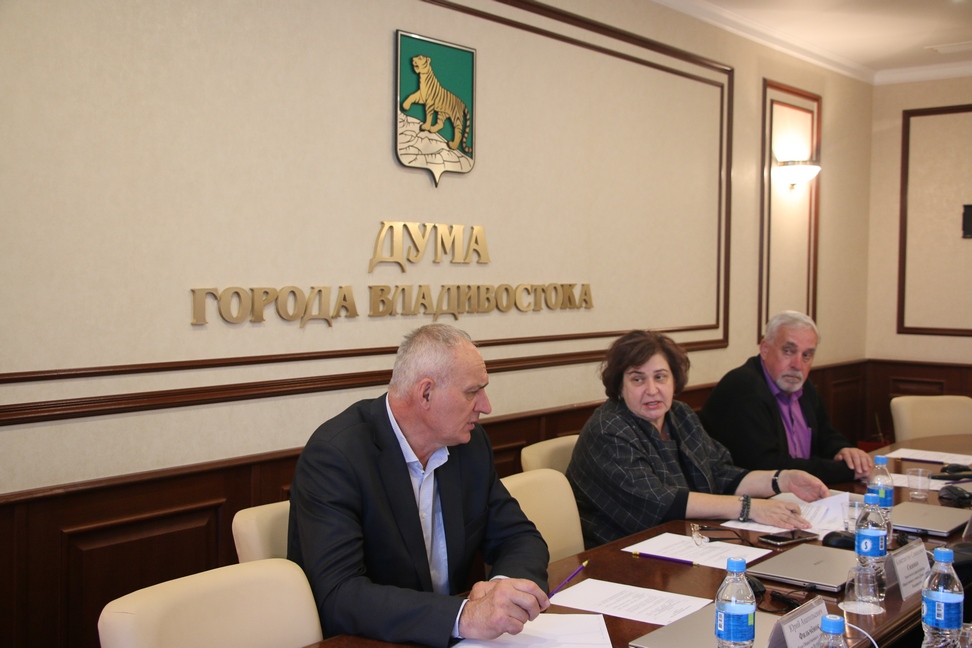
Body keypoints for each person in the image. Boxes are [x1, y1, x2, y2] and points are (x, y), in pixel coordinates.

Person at [288, 324, 550, 648]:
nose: (486, 405)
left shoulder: (468, 444)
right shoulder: (335, 457)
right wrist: (463, 616)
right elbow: (340, 595)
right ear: (426, 393)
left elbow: (519, 536)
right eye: (472, 392)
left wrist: (502, 589)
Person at [565, 329, 829, 548]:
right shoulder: (608, 428)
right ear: (619, 386)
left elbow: (721, 474)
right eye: (638, 379)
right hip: (618, 554)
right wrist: (750, 508)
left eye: (660, 377)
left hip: (682, 542)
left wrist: (782, 479)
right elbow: (661, 502)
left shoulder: (680, 414)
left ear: (674, 379)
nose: (652, 390)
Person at [700, 311, 872, 485]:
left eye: (806, 355)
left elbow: (826, 435)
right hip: (750, 497)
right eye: (788, 351)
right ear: (765, 349)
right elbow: (767, 466)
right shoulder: (743, 388)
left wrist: (843, 450)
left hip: (798, 494)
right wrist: (843, 471)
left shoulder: (802, 386)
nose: (797, 365)